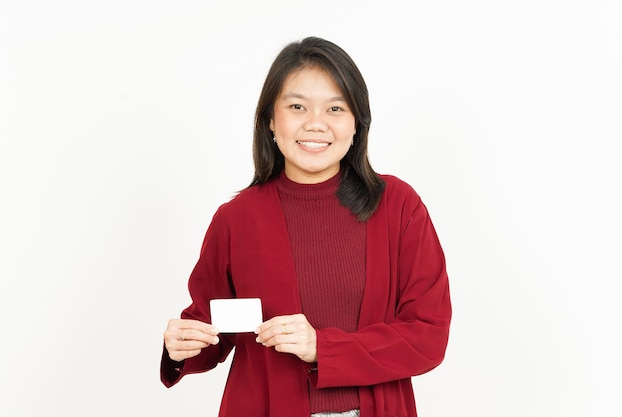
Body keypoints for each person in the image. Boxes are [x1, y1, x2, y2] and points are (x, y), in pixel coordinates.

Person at [161, 36, 452, 417]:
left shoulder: (397, 206)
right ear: (270, 119)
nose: (316, 124)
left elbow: (427, 335)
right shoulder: (236, 218)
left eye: (335, 108)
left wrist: (322, 348)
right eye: (297, 106)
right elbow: (214, 326)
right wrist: (183, 345)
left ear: (356, 123)